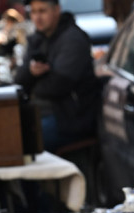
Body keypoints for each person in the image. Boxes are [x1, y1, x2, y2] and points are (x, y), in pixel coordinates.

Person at [14, 0, 100, 153]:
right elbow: (19, 80)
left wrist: (33, 82)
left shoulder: (72, 39)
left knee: (21, 142)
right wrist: (31, 73)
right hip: (44, 112)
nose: (37, 17)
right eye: (33, 12)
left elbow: (58, 85)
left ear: (56, 10)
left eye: (42, 11)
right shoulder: (38, 39)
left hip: (69, 119)